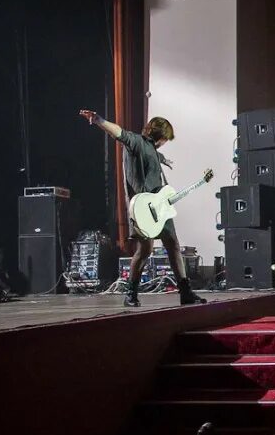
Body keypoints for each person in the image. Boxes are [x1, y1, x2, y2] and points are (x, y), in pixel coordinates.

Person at [79, 110, 205, 306]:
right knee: (144, 251)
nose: (165, 142)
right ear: (160, 135)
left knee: (173, 245)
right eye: (165, 138)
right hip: (144, 210)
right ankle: (130, 294)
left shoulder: (152, 149)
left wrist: (164, 160)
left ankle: (185, 292)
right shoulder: (137, 142)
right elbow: (119, 133)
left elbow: (154, 156)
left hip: (160, 207)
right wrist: (99, 120)